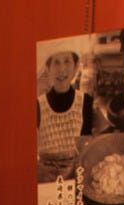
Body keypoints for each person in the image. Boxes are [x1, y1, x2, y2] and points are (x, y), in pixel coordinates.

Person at [37, 43, 93, 180]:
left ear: (75, 66)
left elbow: (88, 147)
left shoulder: (86, 102)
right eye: (56, 62)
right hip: (45, 179)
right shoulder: (37, 105)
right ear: (48, 68)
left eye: (67, 61)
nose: (62, 69)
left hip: (76, 177)